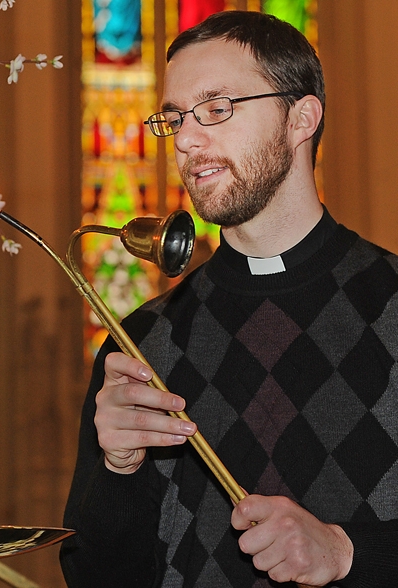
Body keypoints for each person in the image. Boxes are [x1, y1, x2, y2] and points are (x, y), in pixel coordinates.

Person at [60, 10, 398, 587]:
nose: (187, 140)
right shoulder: (142, 344)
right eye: (175, 118)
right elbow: (95, 577)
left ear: (302, 117)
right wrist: (118, 469)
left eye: (217, 108)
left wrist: (346, 551)